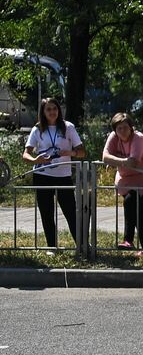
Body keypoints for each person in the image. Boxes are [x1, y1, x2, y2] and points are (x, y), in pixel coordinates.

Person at [23, 97, 86, 248]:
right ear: (43, 112)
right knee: (47, 213)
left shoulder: (68, 127)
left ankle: (82, 245)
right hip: (42, 176)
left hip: (63, 176)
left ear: (59, 110)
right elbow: (25, 154)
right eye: (48, 109)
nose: (52, 112)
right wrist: (35, 160)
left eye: (55, 109)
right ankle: (52, 246)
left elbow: (82, 152)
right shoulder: (37, 129)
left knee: (71, 212)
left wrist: (70, 152)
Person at [102, 112, 143, 250]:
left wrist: (116, 161)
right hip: (125, 180)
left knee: (131, 201)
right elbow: (105, 157)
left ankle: (129, 240)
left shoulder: (138, 138)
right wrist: (122, 161)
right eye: (119, 128)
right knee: (136, 206)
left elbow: (133, 162)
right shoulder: (113, 136)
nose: (122, 131)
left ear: (131, 127)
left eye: (125, 127)